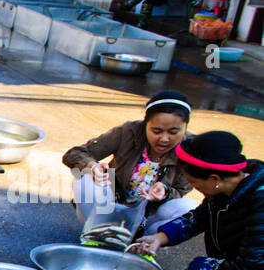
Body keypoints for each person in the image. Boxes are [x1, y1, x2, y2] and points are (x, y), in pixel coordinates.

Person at [131, 132, 264, 270]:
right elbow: (199, 218)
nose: (193, 186)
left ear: (214, 178)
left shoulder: (260, 202)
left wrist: (197, 268)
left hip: (256, 269)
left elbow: (250, 266)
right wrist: (161, 237)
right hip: (250, 269)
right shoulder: (227, 185)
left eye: (194, 182)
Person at [62, 91, 197, 242]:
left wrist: (165, 192)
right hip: (109, 211)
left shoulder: (191, 149)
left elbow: (180, 191)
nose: (164, 139)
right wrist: (92, 166)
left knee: (188, 208)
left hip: (147, 220)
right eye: (156, 131)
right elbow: (74, 153)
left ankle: (145, 243)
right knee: (83, 178)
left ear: (185, 127)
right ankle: (97, 235)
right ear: (146, 124)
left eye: (174, 132)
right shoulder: (128, 132)